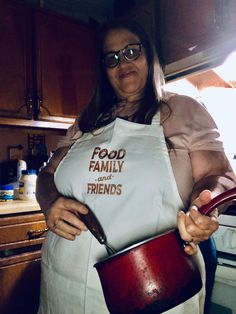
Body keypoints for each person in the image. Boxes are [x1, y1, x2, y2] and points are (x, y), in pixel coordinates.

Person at [36, 19, 236, 314]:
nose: (122, 62)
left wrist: (205, 204)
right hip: (63, 281)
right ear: (104, 70)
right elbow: (47, 175)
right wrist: (49, 201)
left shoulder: (184, 110)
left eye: (132, 51)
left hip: (152, 285)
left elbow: (218, 176)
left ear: (150, 55)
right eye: (111, 57)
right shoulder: (86, 121)